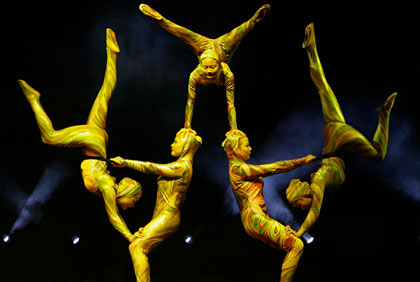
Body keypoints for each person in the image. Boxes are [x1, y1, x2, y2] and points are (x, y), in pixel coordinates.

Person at [18, 28, 142, 243]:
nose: (131, 206)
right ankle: (34, 100)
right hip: (93, 144)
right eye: (133, 202)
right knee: (49, 137)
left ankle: (111, 53)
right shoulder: (107, 186)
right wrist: (131, 237)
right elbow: (114, 217)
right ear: (126, 195)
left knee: (105, 91)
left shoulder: (107, 182)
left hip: (97, 143)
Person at [285, 23, 397, 238]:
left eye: (299, 205)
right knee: (323, 87)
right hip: (333, 132)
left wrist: (299, 233)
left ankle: (384, 115)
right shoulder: (318, 175)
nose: (302, 208)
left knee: (378, 154)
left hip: (340, 140)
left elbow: (314, 213)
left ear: (302, 195)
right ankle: (311, 48)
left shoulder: (318, 182)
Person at [139, 3, 271, 130]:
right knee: (181, 32)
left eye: (212, 67)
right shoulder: (195, 75)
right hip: (204, 49)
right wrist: (187, 126)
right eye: (206, 68)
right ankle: (160, 19)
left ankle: (255, 19)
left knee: (241, 31)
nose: (208, 72)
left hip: (222, 49)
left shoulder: (227, 73)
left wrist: (234, 128)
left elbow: (230, 103)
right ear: (200, 66)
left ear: (219, 66)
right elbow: (190, 102)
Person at [222, 129, 315, 282]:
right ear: (235, 149)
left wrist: (231, 103)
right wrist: (302, 161)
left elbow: (232, 118)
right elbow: (272, 168)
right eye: (246, 145)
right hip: (255, 218)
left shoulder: (235, 166)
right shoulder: (239, 169)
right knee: (296, 245)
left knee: (292, 244)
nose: (250, 148)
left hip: (255, 219)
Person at [111, 128, 202, 282]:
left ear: (187, 145)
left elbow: (150, 167)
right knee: (137, 245)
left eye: (176, 141)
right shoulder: (182, 165)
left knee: (137, 246)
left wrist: (125, 162)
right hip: (162, 216)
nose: (172, 144)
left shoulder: (182, 167)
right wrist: (190, 101)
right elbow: (188, 114)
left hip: (168, 217)